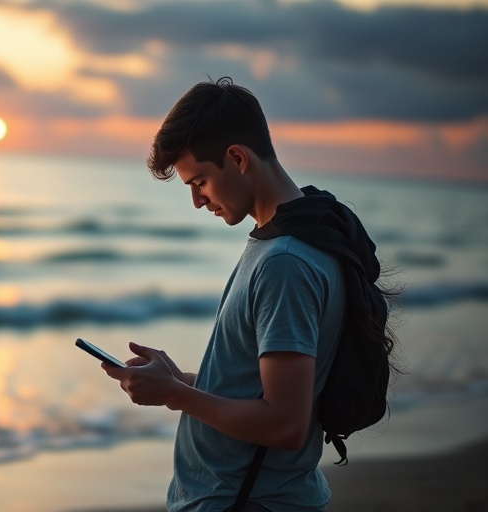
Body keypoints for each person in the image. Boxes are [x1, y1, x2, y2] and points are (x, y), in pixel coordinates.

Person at [101, 77, 395, 511]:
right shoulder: (294, 237)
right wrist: (176, 379)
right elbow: (263, 392)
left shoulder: (285, 262)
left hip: (244, 500)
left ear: (237, 158)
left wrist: (175, 395)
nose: (197, 201)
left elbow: (284, 423)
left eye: (198, 181)